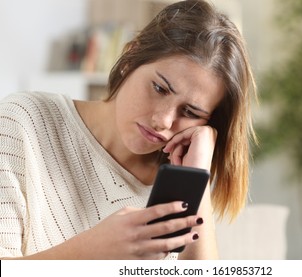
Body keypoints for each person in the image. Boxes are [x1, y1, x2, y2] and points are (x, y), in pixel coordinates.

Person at [0, 0, 256, 260]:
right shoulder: (22, 122)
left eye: (190, 113)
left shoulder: (176, 184)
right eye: (159, 88)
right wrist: (91, 250)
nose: (164, 121)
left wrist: (196, 178)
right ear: (129, 57)